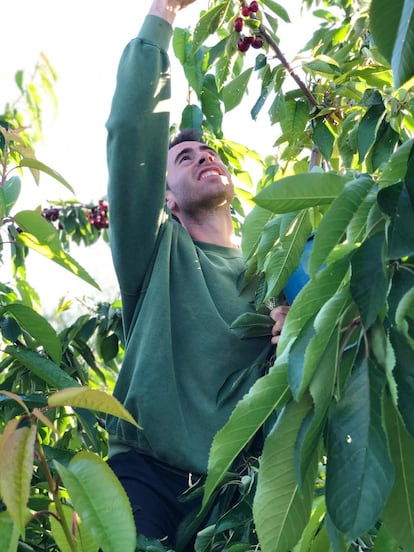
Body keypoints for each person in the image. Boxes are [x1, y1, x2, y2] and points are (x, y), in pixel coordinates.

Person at [105, 0, 288, 548]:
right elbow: (131, 132)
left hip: (234, 499)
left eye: (207, 150)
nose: (203, 155)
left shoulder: (272, 279)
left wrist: (297, 333)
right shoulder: (154, 255)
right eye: (183, 159)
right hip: (146, 480)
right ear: (165, 198)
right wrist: (164, 12)